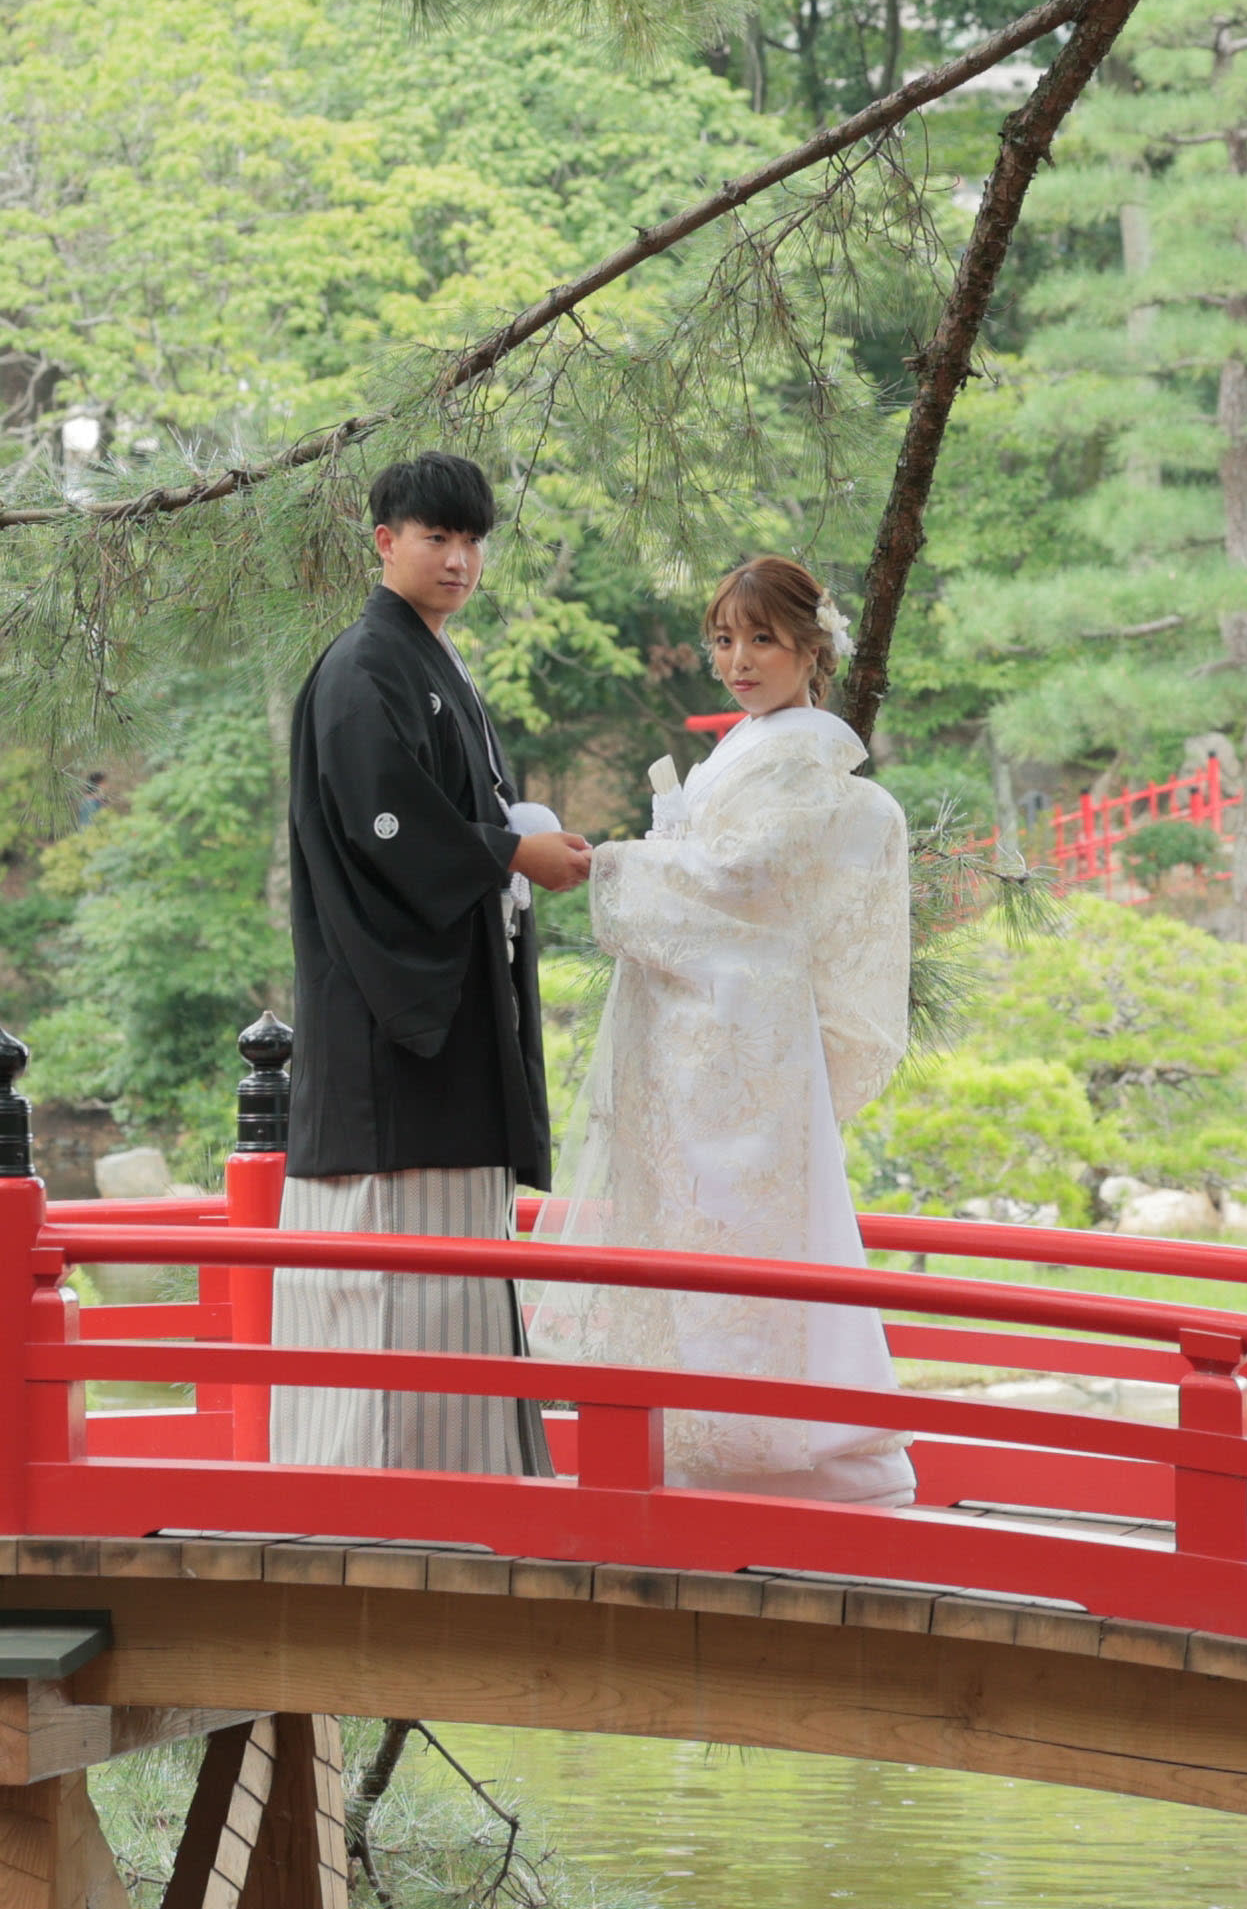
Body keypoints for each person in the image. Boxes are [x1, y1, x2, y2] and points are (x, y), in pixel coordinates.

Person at [531, 554, 917, 1504]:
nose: (738, 661)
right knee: (696, 1231)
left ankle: (779, 1454)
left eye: (762, 640)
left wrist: (613, 866)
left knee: (748, 1232)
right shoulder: (752, 745)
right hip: (700, 1028)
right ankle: (704, 1442)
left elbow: (740, 882)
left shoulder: (805, 756)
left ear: (811, 649)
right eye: (724, 640)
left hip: (746, 1037)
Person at [271, 452, 589, 1475]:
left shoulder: (429, 662)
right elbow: (387, 828)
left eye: (471, 540)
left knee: (448, 1283)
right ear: (385, 542)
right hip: (396, 1035)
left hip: (450, 1024)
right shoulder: (365, 668)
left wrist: (511, 843)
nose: (457, 559)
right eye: (436, 537)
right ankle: (387, 1510)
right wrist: (510, 853)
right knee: (391, 1286)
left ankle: (472, 1493)